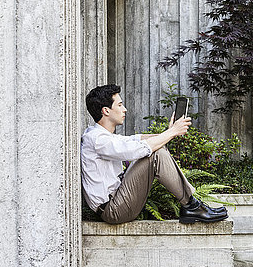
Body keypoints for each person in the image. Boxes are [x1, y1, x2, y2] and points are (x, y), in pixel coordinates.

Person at [81, 84, 228, 224]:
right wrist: (172, 132)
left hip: (118, 200)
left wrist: (169, 132)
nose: (124, 109)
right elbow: (137, 149)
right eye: (119, 105)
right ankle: (192, 206)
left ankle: (192, 205)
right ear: (106, 111)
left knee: (157, 148)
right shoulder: (97, 139)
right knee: (155, 154)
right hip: (113, 210)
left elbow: (135, 139)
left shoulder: (102, 136)